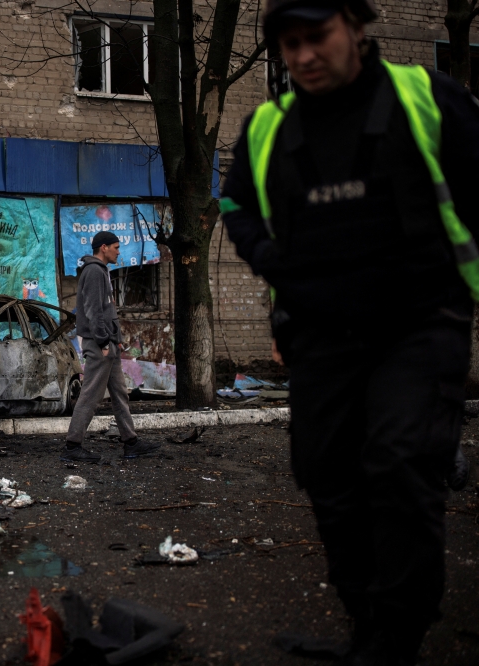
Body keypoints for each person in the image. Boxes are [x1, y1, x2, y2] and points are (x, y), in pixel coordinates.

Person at [220, 1, 479, 663]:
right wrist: (272, 260)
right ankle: (367, 618)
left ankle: (398, 631)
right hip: (320, 335)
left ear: (357, 29)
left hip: (419, 325)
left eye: (317, 38)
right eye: (289, 44)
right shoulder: (266, 128)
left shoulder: (427, 99)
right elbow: (235, 204)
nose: (303, 56)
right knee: (328, 477)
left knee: (397, 463)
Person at [61, 231, 159, 462]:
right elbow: (94, 310)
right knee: (91, 395)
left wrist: (116, 337)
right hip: (99, 344)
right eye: (115, 247)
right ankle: (72, 446)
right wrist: (105, 341)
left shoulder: (101, 270)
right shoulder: (94, 271)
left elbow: (107, 309)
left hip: (109, 343)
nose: (118, 251)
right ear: (103, 248)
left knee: (119, 393)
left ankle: (131, 442)